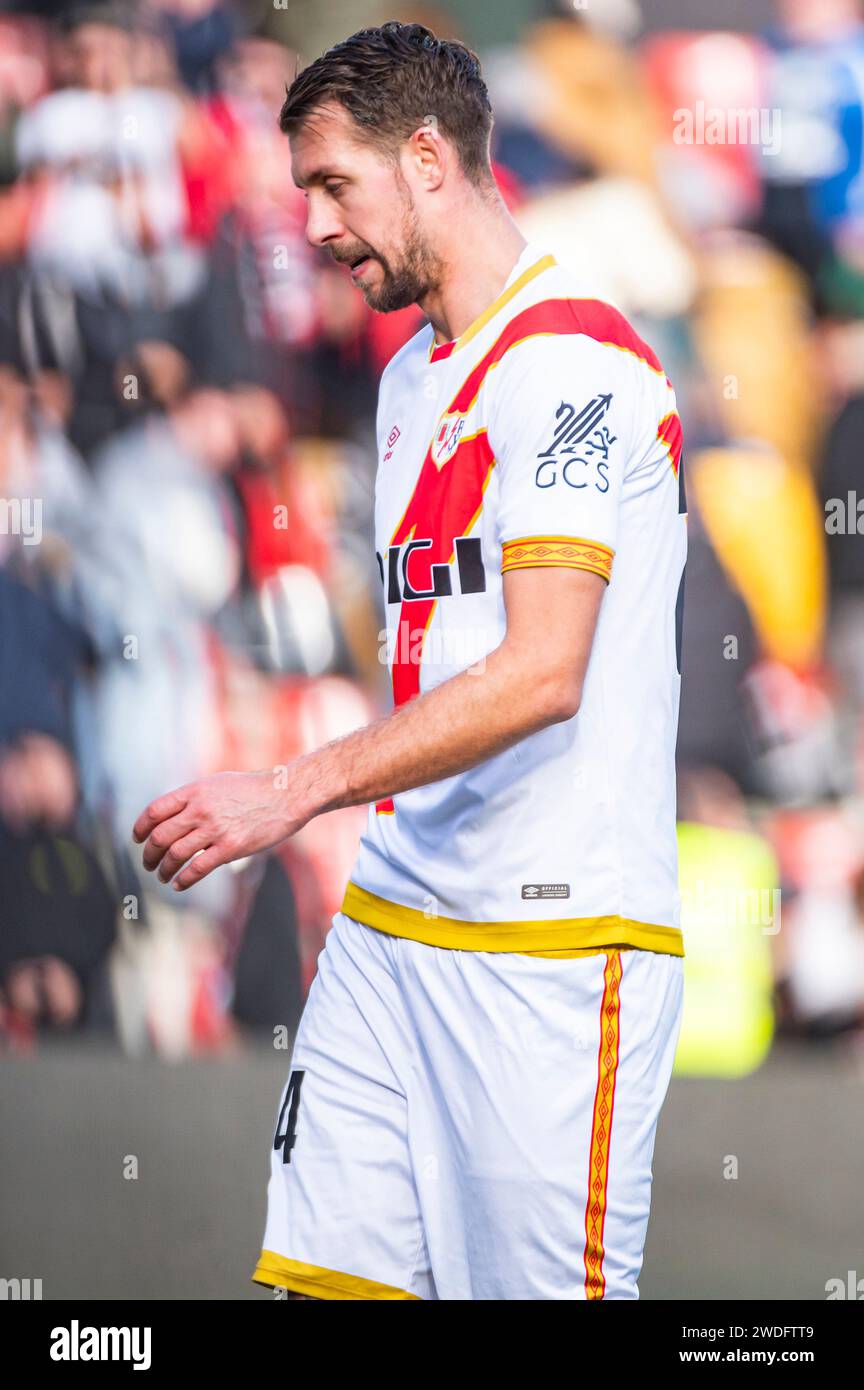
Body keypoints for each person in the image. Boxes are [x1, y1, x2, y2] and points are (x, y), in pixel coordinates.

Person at [133, 21, 687, 1301]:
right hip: (394, 925)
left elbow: (547, 670)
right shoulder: (407, 380)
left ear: (429, 157)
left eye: (335, 183)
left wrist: (292, 787)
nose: (317, 226)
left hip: (554, 952)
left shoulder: (572, 362)